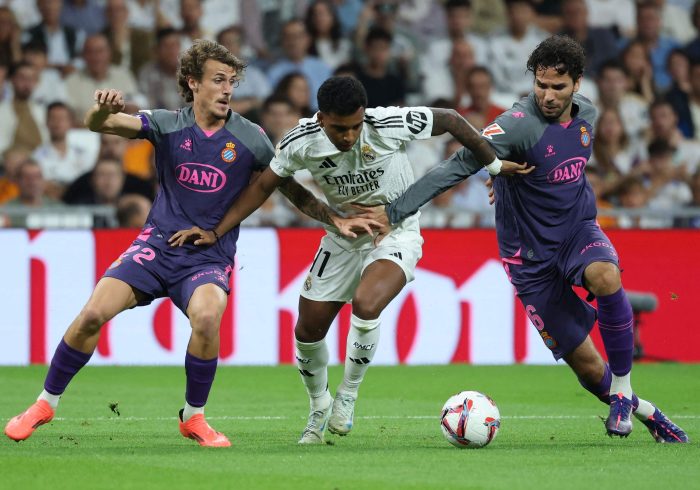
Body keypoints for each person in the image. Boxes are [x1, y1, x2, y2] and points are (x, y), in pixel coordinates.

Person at [4, 40, 373, 447]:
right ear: (193, 83)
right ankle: (44, 403)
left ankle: (193, 417)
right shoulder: (166, 123)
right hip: (156, 247)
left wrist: (332, 217)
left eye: (232, 81)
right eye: (218, 80)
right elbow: (101, 124)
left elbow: (287, 189)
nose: (228, 89)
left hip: (207, 256)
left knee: (208, 316)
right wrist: (103, 110)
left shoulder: (250, 138)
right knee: (94, 312)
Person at [357, 36, 689, 443]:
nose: (548, 96)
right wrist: (394, 212)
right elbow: (457, 165)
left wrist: (505, 177)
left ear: (577, 84)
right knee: (587, 371)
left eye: (558, 87)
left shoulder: (588, 114)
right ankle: (650, 413)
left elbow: (572, 161)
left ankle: (623, 389)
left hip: (576, 231)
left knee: (606, 276)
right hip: (529, 259)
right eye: (541, 85)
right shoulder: (516, 124)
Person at [169, 75, 529, 444]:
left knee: (366, 302)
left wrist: (495, 166)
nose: (350, 136)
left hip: (396, 231)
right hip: (343, 238)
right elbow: (266, 185)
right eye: (340, 129)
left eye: (356, 126)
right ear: (321, 118)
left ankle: (348, 395)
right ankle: (318, 405)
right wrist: (219, 231)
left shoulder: (387, 124)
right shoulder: (299, 141)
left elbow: (452, 119)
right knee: (307, 331)